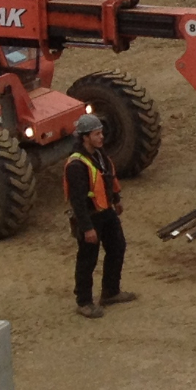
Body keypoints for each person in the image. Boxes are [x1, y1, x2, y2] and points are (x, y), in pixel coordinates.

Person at [65, 112, 134, 318]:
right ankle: (84, 301)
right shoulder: (76, 165)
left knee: (117, 247)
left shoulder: (99, 154)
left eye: (101, 133)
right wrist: (86, 228)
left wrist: (116, 198)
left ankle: (110, 292)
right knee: (87, 259)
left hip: (106, 212)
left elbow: (107, 177)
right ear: (85, 137)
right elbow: (77, 201)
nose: (101, 137)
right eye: (97, 134)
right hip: (90, 217)